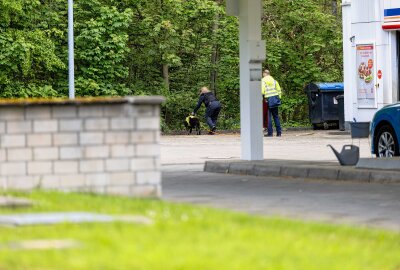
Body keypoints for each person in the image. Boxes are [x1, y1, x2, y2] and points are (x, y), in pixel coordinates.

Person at [261, 69, 282, 137]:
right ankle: (279, 133)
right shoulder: (275, 81)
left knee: (268, 117)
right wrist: (279, 98)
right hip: (275, 99)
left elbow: (262, 91)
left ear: (264, 74)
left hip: (268, 100)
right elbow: (279, 90)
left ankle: (270, 133)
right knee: (276, 116)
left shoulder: (263, 80)